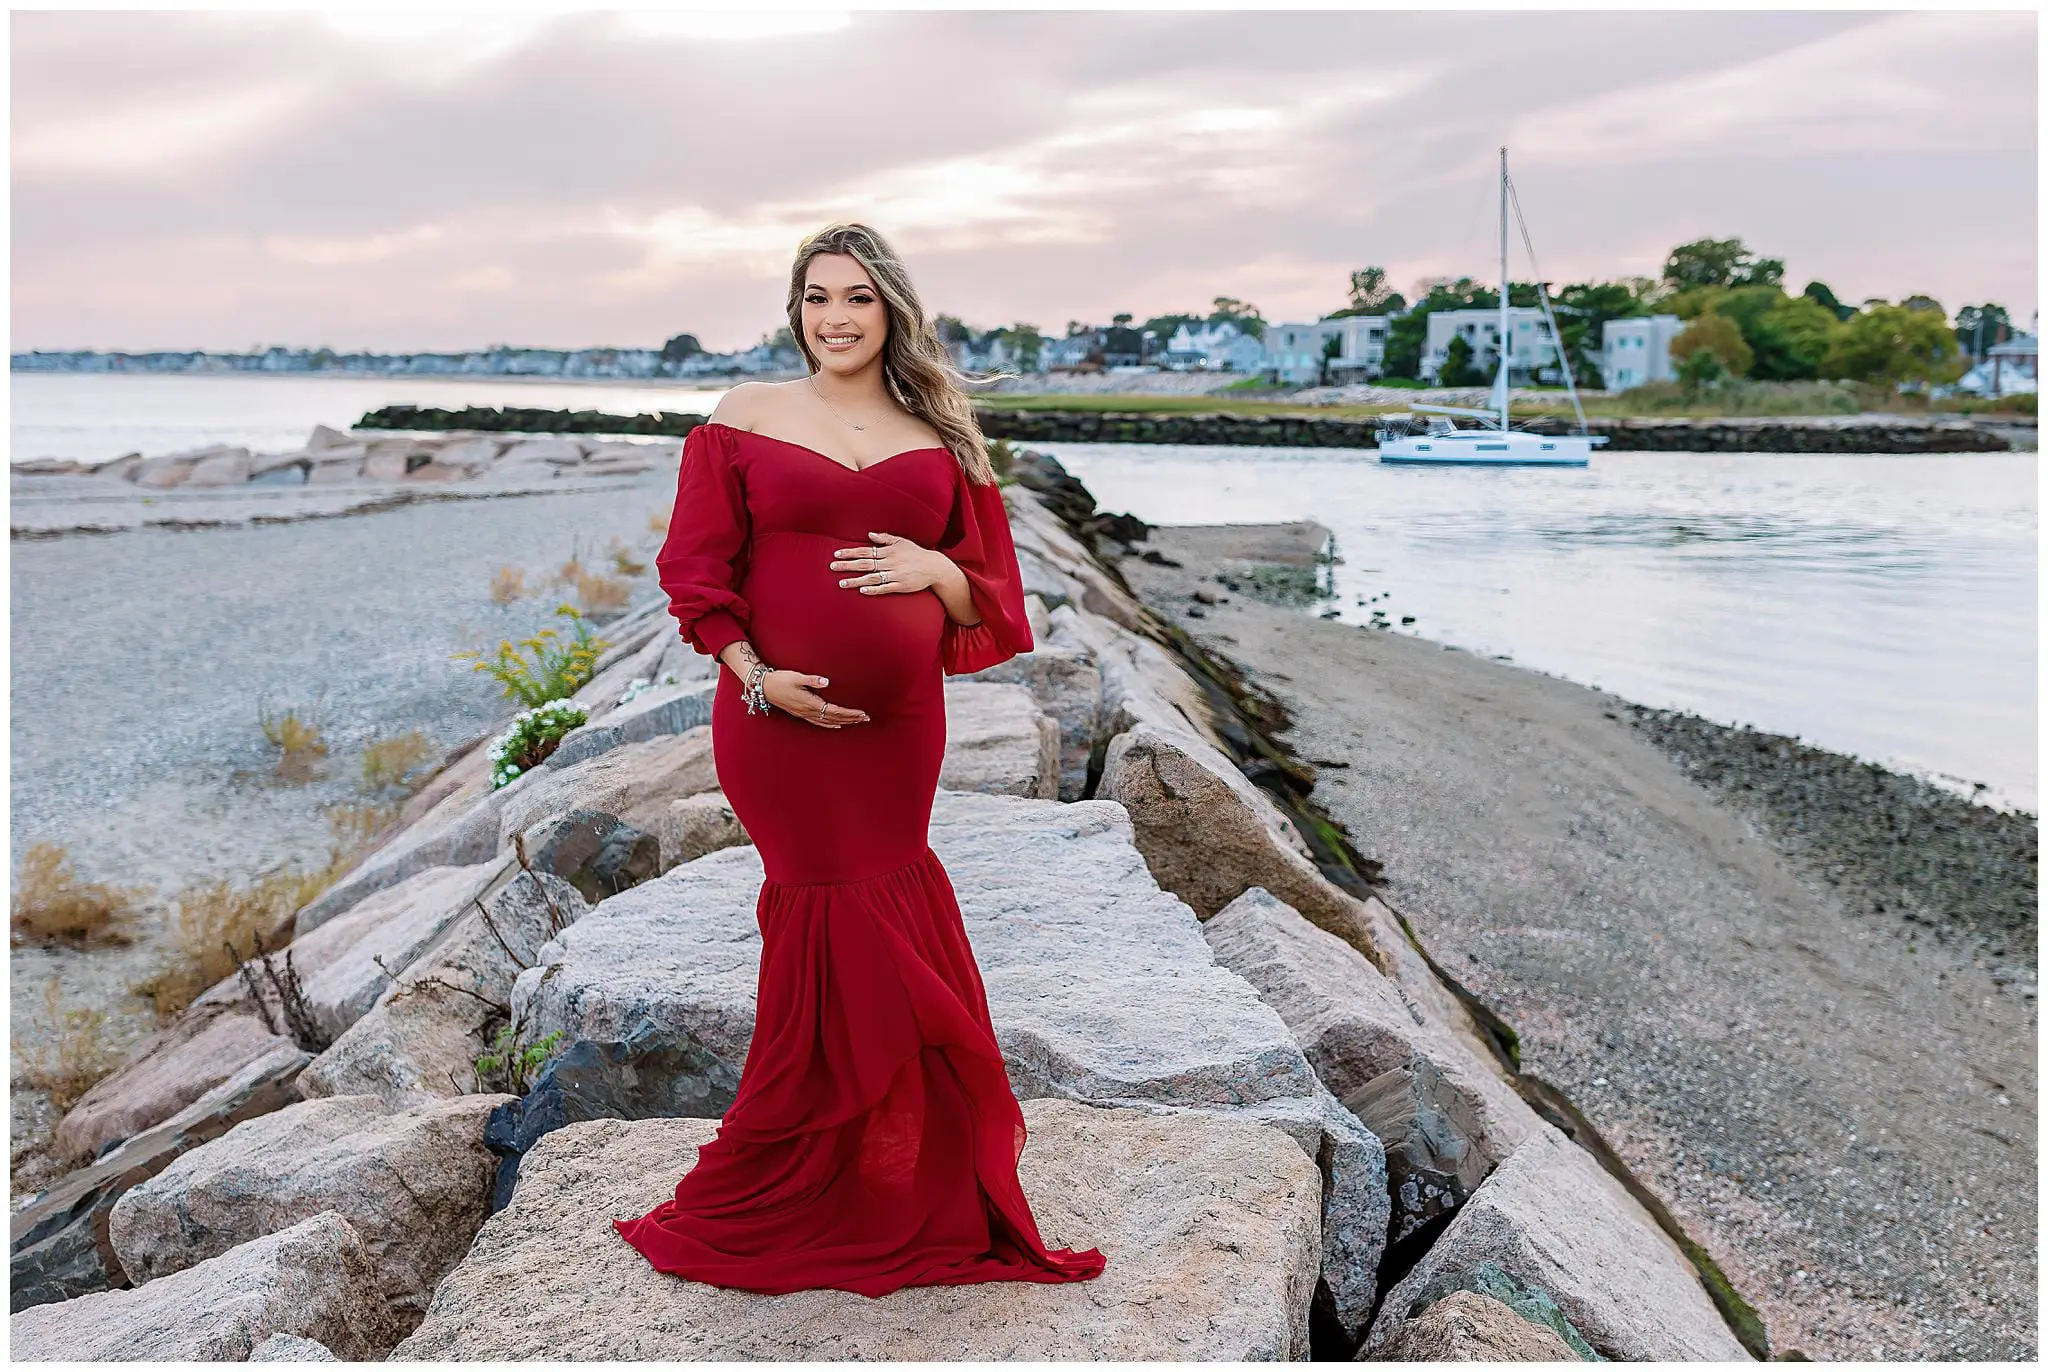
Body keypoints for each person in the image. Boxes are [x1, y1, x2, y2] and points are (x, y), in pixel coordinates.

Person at [611, 222, 1108, 1296]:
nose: (834, 318)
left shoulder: (940, 430)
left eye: (857, 299)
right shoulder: (744, 417)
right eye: (815, 298)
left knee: (890, 908)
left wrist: (933, 566)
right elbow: (696, 572)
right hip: (771, 720)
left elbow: (995, 599)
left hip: (898, 730)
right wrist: (754, 675)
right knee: (826, 916)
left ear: (893, 311)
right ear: (794, 311)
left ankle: (909, 1172)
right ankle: (807, 1162)